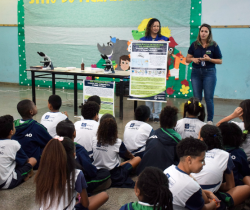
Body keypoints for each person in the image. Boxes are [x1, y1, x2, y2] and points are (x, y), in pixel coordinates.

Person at [35, 137, 109, 210]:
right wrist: (78, 199)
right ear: (73, 155)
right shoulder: (77, 174)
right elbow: (85, 204)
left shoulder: (42, 173)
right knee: (103, 195)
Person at [192, 125, 250, 209]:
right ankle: (225, 204)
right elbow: (231, 186)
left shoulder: (191, 153)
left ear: (201, 139)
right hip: (209, 195)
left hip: (191, 193)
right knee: (245, 187)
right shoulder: (226, 154)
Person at [164, 138, 220, 210]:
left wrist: (209, 193)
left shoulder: (169, 170)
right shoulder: (190, 185)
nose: (204, 163)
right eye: (201, 160)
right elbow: (204, 208)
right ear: (189, 159)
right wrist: (214, 203)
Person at [56, 119, 111, 193]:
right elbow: (91, 172)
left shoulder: (53, 147)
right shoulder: (78, 149)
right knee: (106, 173)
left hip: (56, 180)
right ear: (74, 133)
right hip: (74, 183)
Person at [186, 23, 223, 124]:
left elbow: (220, 61)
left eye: (206, 31)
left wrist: (209, 59)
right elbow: (187, 59)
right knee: (197, 98)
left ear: (209, 33)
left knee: (208, 97)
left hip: (209, 73)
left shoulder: (214, 45)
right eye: (202, 31)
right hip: (196, 73)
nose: (203, 33)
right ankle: (197, 118)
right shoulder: (194, 44)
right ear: (199, 32)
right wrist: (193, 59)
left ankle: (210, 120)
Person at [92, 117, 141, 188]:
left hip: (98, 171)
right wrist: (133, 159)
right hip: (114, 174)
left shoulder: (94, 140)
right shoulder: (117, 142)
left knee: (120, 162)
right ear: (114, 130)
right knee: (138, 159)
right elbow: (127, 154)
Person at [136, 106, 181, 175]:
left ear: (160, 121)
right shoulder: (177, 137)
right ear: (175, 123)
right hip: (164, 174)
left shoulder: (153, 133)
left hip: (144, 173)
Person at [140, 18, 169, 122]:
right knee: (148, 92)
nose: (156, 28)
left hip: (159, 70)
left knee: (157, 91)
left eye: (158, 26)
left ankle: (157, 114)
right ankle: (148, 113)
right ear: (150, 27)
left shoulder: (165, 39)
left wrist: (164, 45)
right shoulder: (143, 39)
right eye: (154, 26)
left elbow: (169, 54)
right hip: (147, 70)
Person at [12, 99, 52, 170]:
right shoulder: (37, 127)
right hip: (34, 164)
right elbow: (50, 142)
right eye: (34, 106)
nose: (36, 106)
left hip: (16, 162)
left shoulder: (13, 125)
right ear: (31, 112)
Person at [0, 115, 37, 189]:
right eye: (14, 127)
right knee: (32, 160)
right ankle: (27, 175)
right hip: (5, 182)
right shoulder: (14, 144)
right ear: (11, 132)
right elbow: (25, 161)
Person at [218, 122, 250, 187]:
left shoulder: (212, 151)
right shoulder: (239, 152)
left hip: (216, 185)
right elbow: (246, 172)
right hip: (234, 186)